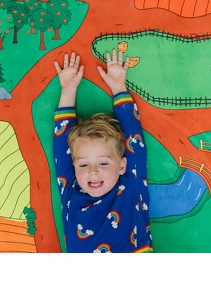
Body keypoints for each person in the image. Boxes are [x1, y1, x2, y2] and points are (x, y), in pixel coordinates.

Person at [52, 50, 152, 253]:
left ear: (122, 165)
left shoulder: (131, 184)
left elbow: (134, 139)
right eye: (83, 164)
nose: (93, 171)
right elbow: (62, 148)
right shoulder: (71, 189)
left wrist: (118, 87)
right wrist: (68, 89)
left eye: (104, 163)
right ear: (74, 166)